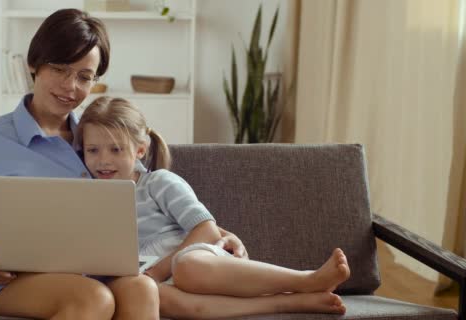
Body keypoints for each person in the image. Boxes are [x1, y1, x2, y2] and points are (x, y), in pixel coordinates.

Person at [0, 9, 246, 320]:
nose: (70, 87)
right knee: (94, 298)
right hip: (8, 280)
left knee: (141, 289)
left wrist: (216, 233)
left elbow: (145, 198)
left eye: (84, 77)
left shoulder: (99, 140)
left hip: (94, 273)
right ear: (34, 65)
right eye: (59, 69)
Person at [76, 96, 352, 319]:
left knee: (188, 268)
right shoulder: (90, 197)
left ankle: (305, 280)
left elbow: (206, 229)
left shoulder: (158, 182)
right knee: (159, 297)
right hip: (151, 279)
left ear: (140, 150)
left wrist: (161, 269)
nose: (103, 161)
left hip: (191, 258)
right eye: (93, 150)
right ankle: (286, 304)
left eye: (115, 150)